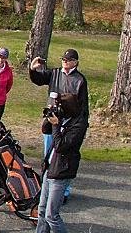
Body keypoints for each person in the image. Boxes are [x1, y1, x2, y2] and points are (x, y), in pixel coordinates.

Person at [31, 48, 88, 177]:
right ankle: (45, 179)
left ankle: (63, 189)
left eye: (68, 60)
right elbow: (39, 79)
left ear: (75, 62)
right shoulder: (55, 73)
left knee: (62, 156)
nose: (65, 62)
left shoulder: (80, 80)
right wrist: (33, 69)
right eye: (63, 60)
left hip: (68, 123)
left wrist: (80, 126)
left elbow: (82, 107)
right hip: (51, 119)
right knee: (48, 154)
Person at [36, 92, 87, 233]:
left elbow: (60, 146)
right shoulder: (62, 117)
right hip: (50, 167)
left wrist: (56, 125)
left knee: (51, 215)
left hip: (62, 171)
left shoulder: (79, 125)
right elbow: (45, 130)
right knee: (41, 210)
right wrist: (50, 117)